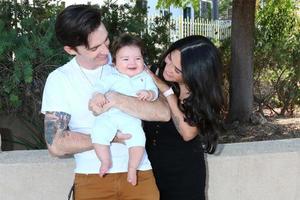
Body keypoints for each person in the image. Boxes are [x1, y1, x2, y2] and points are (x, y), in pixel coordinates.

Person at [41, 4, 170, 200]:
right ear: (70, 49)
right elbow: (56, 144)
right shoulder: (60, 79)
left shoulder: (128, 61)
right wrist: (110, 137)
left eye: (106, 40)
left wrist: (116, 99)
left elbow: (163, 112)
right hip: (91, 179)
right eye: (94, 47)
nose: (105, 50)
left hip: (140, 174)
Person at [143, 35, 225, 200]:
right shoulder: (153, 72)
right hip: (150, 172)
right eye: (170, 58)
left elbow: (188, 133)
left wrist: (166, 91)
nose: (168, 68)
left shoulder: (201, 96)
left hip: (183, 179)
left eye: (177, 70)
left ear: (194, 75)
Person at [91, 33, 158, 186]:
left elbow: (154, 92)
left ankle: (132, 168)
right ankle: (105, 161)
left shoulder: (145, 77)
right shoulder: (111, 77)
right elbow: (98, 88)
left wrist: (149, 93)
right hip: (109, 116)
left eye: (138, 59)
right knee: (98, 133)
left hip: (131, 119)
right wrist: (97, 95)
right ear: (114, 62)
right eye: (125, 59)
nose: (132, 63)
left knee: (139, 140)